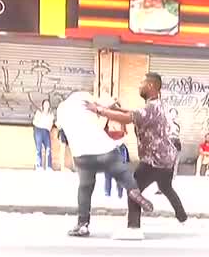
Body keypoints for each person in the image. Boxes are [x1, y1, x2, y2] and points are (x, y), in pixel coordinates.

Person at [85, 72, 188, 240]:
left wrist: (99, 110)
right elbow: (134, 113)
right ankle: (183, 218)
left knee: (133, 189)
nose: (139, 86)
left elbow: (128, 118)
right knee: (166, 188)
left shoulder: (151, 108)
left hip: (154, 160)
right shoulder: (155, 105)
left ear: (151, 86)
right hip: (166, 159)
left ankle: (133, 228)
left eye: (142, 83)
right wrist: (114, 109)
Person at [55, 91, 154, 238]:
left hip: (82, 155)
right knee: (123, 173)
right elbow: (105, 106)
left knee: (85, 187)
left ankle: (83, 225)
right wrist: (113, 105)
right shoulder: (84, 97)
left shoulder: (61, 110)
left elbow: (61, 132)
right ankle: (134, 191)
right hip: (105, 149)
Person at [103, 106, 129, 199]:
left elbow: (125, 134)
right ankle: (107, 192)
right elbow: (103, 134)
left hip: (120, 148)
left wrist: (119, 143)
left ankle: (120, 192)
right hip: (109, 148)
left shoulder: (122, 121)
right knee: (108, 172)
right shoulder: (107, 121)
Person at [32, 100, 55, 171]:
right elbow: (35, 122)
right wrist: (44, 124)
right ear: (42, 105)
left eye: (48, 104)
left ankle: (49, 167)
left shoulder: (51, 114)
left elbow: (50, 124)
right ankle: (39, 166)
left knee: (48, 148)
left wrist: (45, 125)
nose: (46, 106)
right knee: (39, 148)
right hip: (38, 130)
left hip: (46, 131)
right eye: (45, 104)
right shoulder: (39, 112)